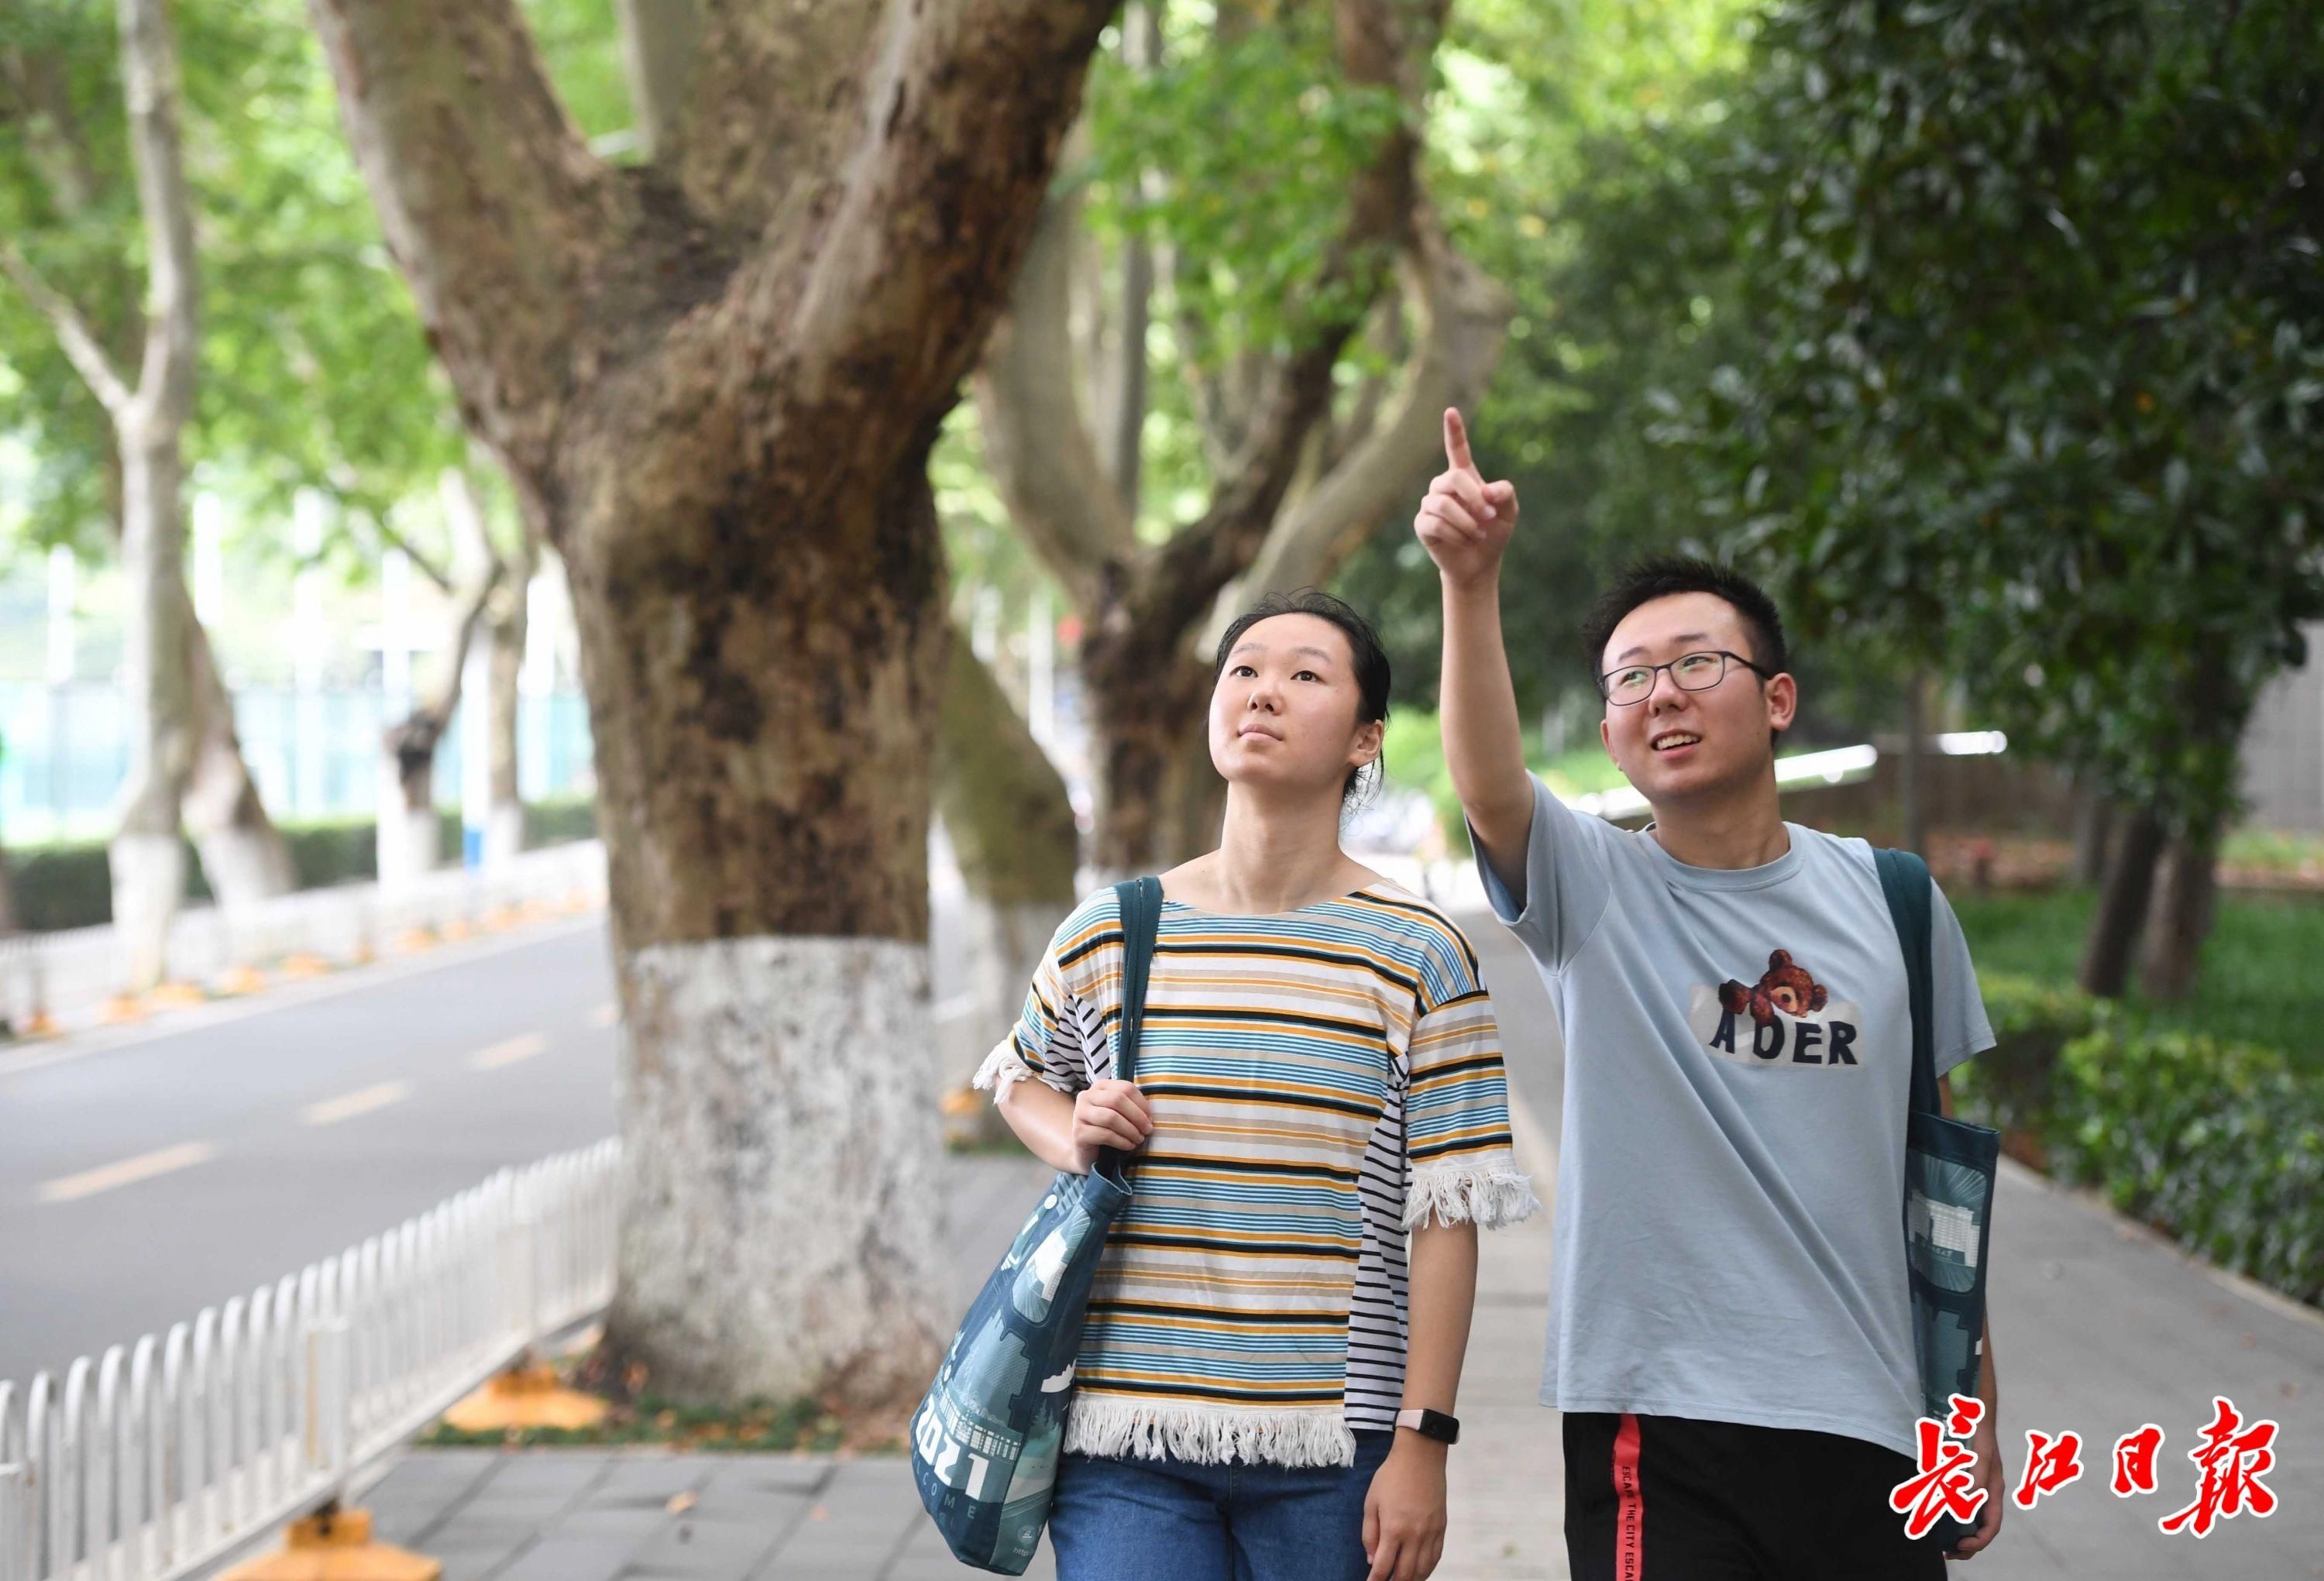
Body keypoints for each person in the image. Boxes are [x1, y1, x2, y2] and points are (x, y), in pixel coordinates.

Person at [1413, 408, 2006, 1578]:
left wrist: (1973, 1400)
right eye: (1630, 679)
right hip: (1659, 1414)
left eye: (1696, 663)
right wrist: (1469, 585)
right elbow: (1489, 781)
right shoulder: (1597, 890)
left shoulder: (1892, 901)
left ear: (1777, 699)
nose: (1662, 694)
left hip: (1873, 1415)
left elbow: (1935, 1177)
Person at [975, 589, 1538, 1581]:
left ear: (1367, 737)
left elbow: (1445, 1216)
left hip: (1337, 1450)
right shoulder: (1114, 930)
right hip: (1125, 1437)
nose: (1263, 692)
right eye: (1243, 669)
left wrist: (1425, 1442)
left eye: (1304, 675)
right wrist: (1076, 1134)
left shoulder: (1421, 954)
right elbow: (1017, 1078)